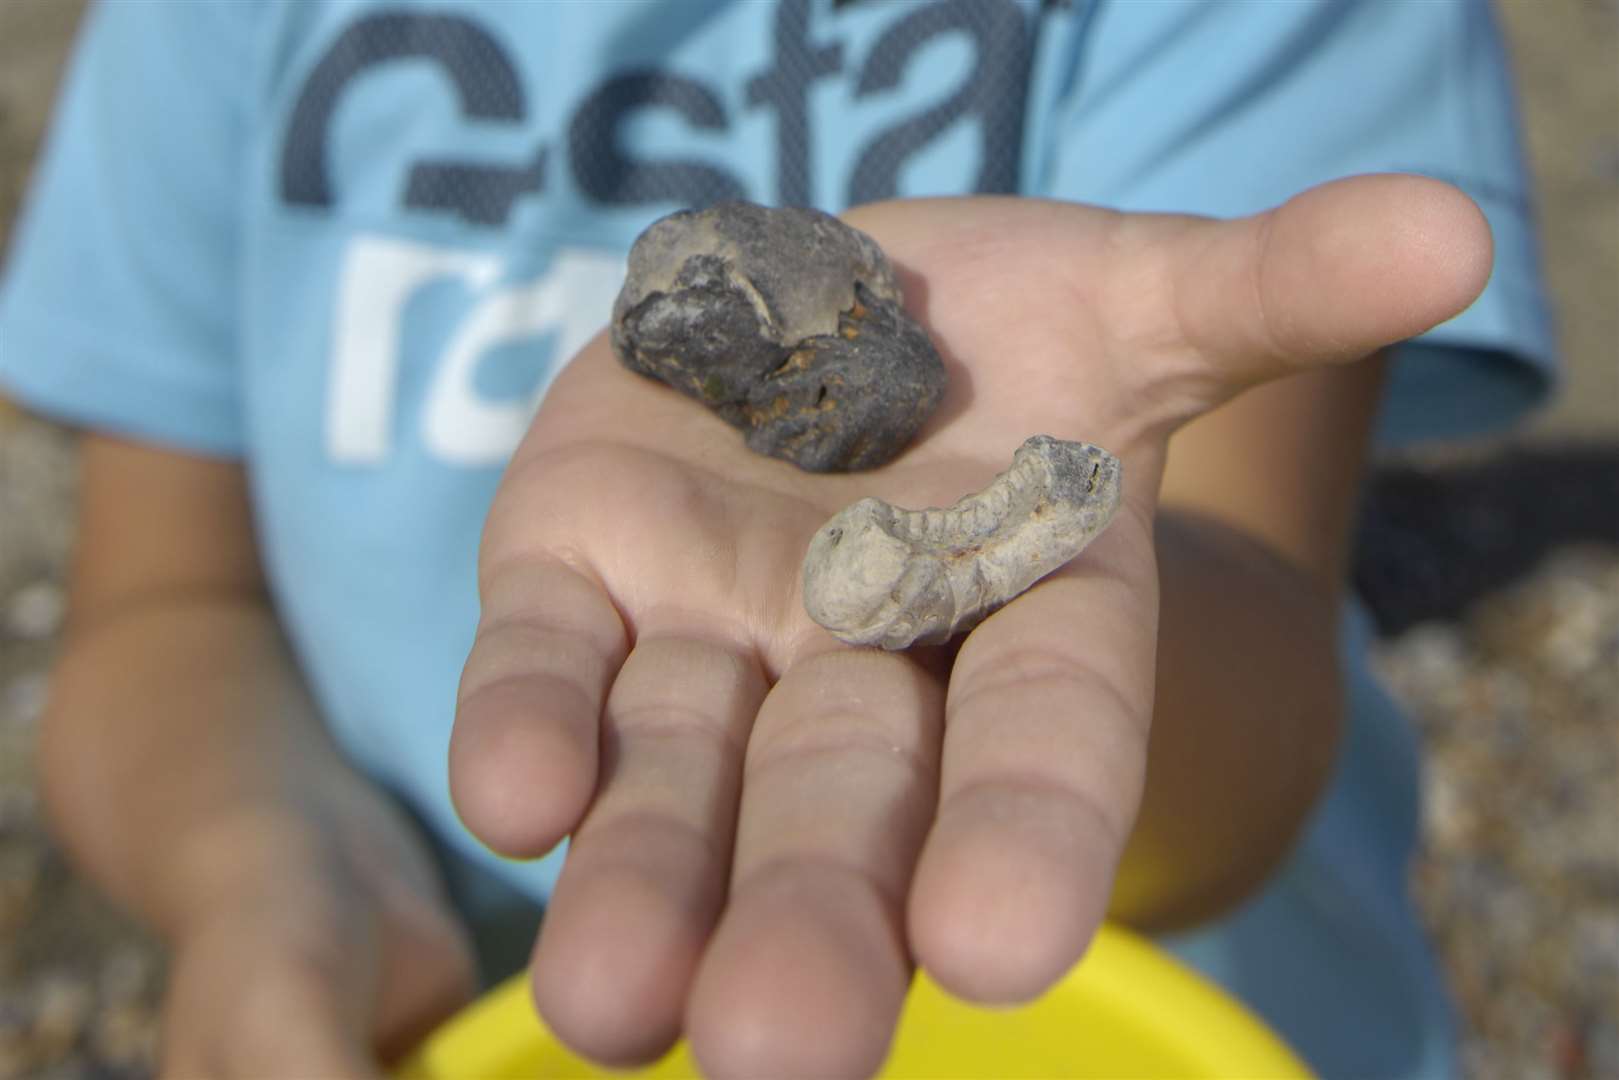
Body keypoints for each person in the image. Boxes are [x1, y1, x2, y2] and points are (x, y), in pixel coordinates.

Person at [0, 1, 1552, 1077]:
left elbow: (1261, 654)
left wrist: (998, 651)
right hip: (464, 990)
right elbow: (165, 608)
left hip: (1148, 994)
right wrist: (265, 867)